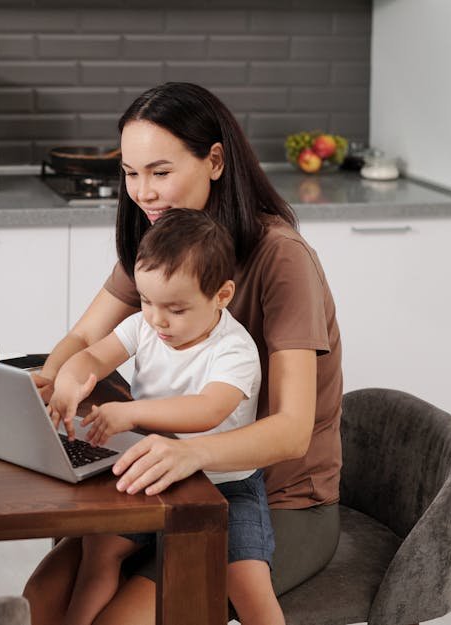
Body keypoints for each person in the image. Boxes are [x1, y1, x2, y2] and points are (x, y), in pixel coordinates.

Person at [23, 82, 342, 625]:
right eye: (129, 173)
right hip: (162, 480)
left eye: (160, 172)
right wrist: (56, 379)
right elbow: (84, 340)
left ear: (214, 161)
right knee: (36, 604)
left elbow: (292, 430)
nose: (142, 192)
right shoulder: (160, 245)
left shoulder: (280, 256)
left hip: (267, 496)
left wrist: (193, 453)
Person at [48, 208, 281, 625]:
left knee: (249, 585)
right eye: (147, 301)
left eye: (174, 308)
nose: (158, 319)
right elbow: (94, 355)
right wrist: (68, 380)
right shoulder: (145, 325)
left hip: (227, 487)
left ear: (222, 296)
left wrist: (130, 412)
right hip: (150, 474)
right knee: (98, 549)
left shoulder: (235, 349)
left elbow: (208, 410)